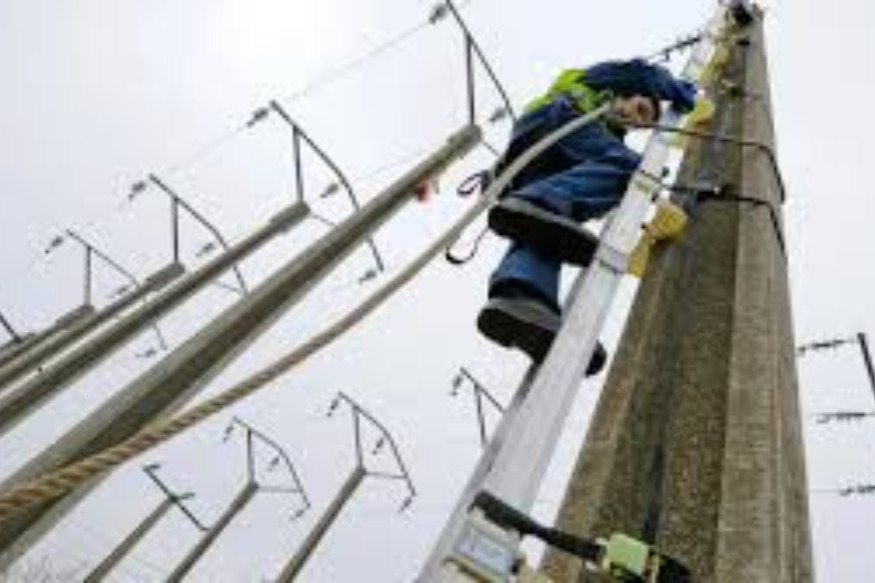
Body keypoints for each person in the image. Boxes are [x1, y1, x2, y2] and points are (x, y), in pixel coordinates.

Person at [477, 59, 697, 374]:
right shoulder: (601, 82)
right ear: (626, 93)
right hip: (558, 119)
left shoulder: (604, 139)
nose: (634, 119)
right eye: (639, 109)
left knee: (545, 228)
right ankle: (538, 204)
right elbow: (643, 73)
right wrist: (679, 90)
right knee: (638, 169)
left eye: (641, 122)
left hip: (536, 159)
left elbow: (593, 194)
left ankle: (522, 298)